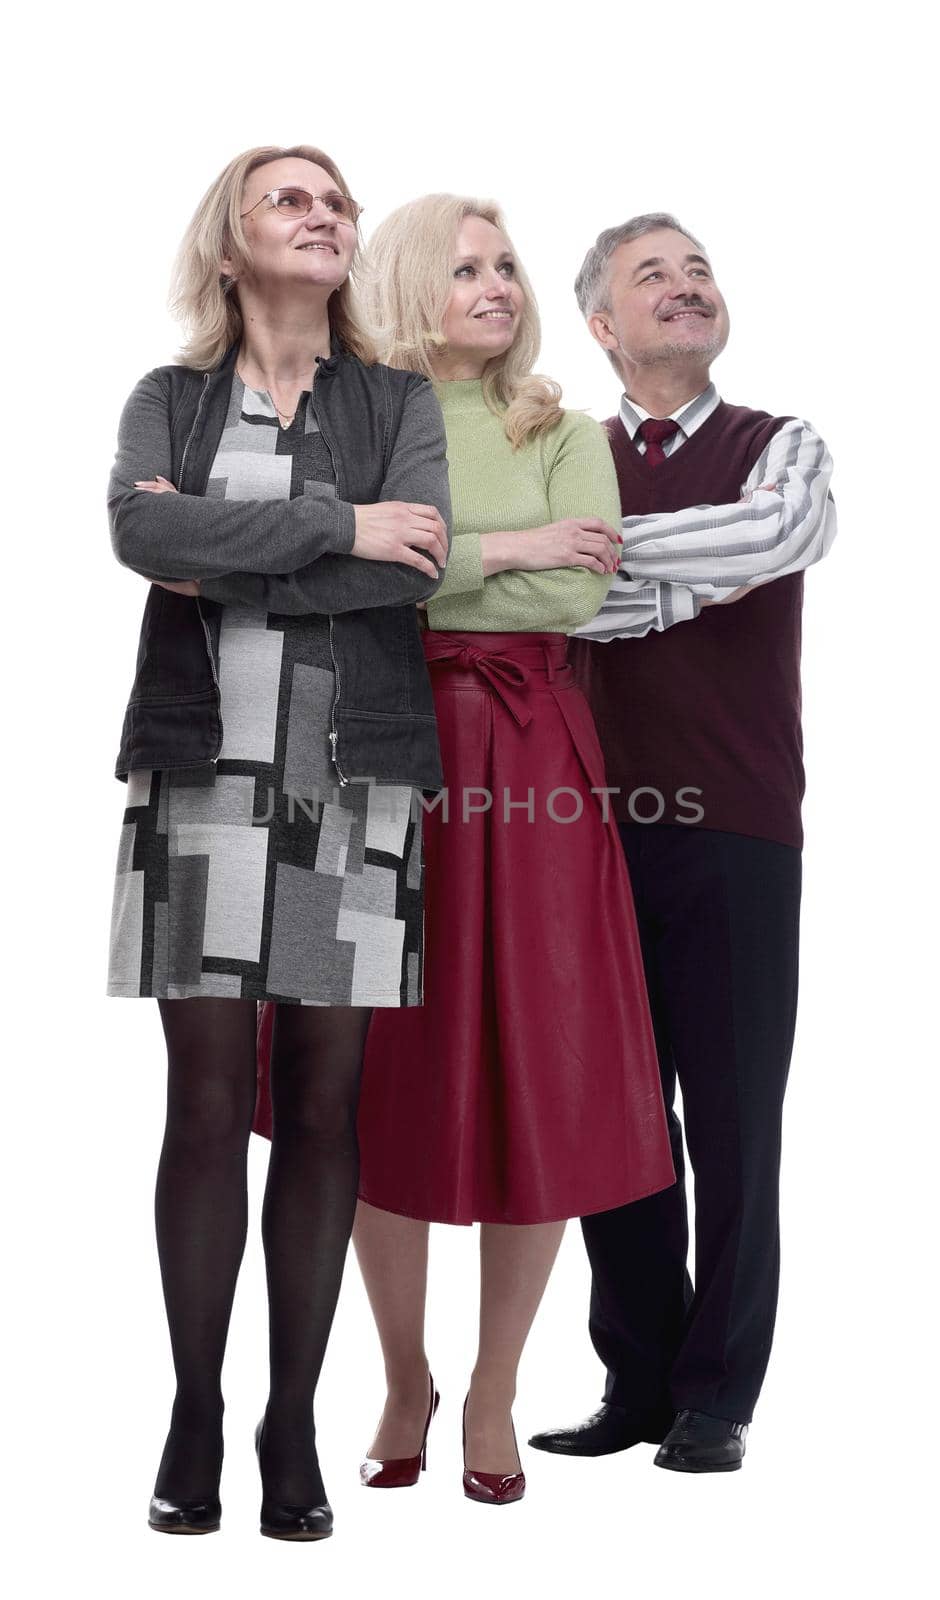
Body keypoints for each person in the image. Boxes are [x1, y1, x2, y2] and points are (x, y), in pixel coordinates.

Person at [105, 144, 451, 1540]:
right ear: (233, 239)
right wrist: (333, 527)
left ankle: (291, 1420)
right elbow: (140, 537)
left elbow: (410, 560)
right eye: (289, 200)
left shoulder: (398, 398)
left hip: (351, 782)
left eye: (336, 203)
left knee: (321, 1107)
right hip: (199, 772)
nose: (324, 217)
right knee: (201, 1104)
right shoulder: (168, 398)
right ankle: (195, 1405)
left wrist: (234, 546)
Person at [346, 193, 673, 1505]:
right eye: (465, 265)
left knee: (544, 1058)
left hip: (535, 757)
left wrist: (450, 563)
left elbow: (579, 589)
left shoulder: (560, 424)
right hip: (386, 751)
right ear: (414, 285)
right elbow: (350, 575)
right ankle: (403, 1374)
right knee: (384, 1066)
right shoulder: (360, 425)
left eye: (506, 264)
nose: (495, 283)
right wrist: (505, 548)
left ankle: (493, 1385)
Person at [529, 213, 836, 1473]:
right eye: (651, 275)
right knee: (614, 1118)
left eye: (697, 268)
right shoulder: (569, 457)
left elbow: (778, 534)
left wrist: (593, 572)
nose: (685, 285)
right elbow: (525, 595)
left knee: (733, 1120)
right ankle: (638, 1381)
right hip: (586, 832)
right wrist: (644, 577)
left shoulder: (784, 444)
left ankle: (719, 1396)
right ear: (602, 325)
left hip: (740, 824)